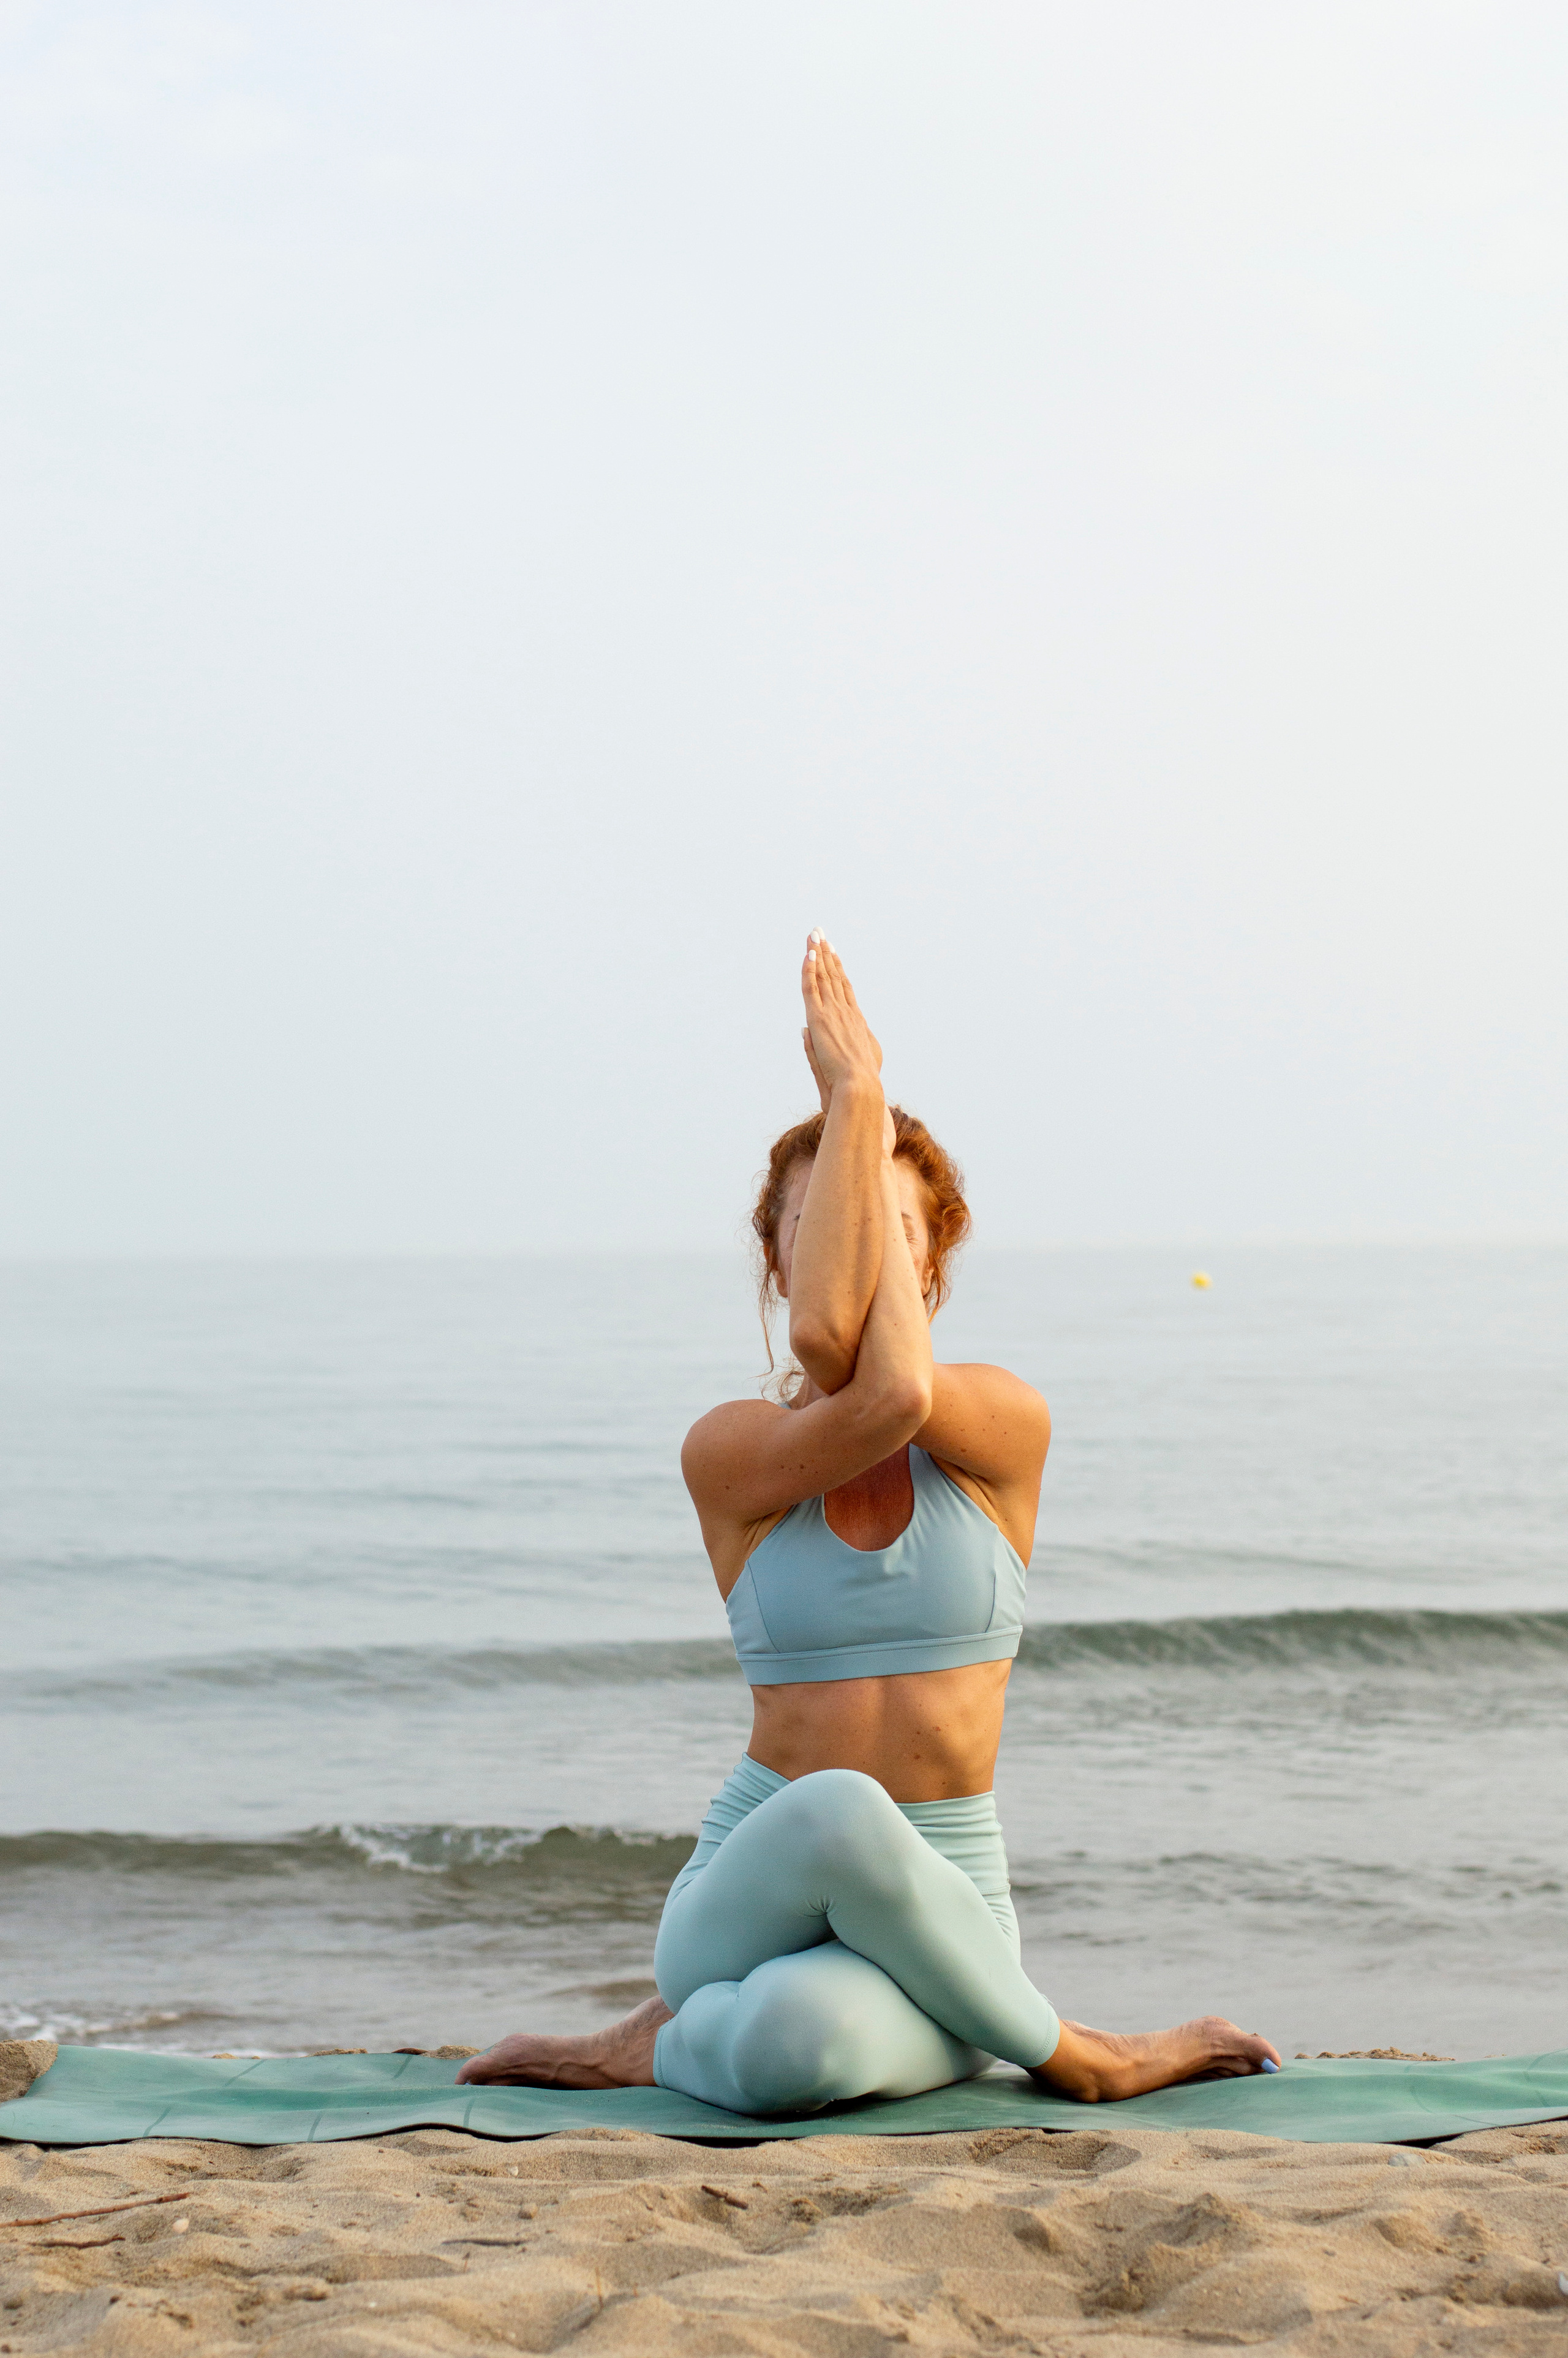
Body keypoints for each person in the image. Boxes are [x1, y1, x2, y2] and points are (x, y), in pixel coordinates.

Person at [460, 935, 1280, 2110]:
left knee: (799, 2054)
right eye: (822, 1226)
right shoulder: (733, 1453)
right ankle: (1082, 2055)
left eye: (897, 1228)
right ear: (777, 1260)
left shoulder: (1003, 1429)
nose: (861, 1252)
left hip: (948, 1890)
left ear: (931, 1263)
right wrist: (861, 1102)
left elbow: (894, 1379)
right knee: (838, 1806)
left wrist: (858, 1117)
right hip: (750, 1893)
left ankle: (655, 2044)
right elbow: (855, 1372)